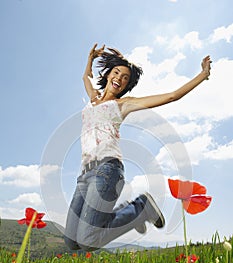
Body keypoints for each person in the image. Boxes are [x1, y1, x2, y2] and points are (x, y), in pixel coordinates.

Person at [64, 43, 211, 251]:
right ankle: (132, 212)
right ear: (107, 75)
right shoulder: (93, 99)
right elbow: (85, 77)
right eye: (117, 73)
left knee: (88, 240)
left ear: (126, 85)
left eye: (125, 78)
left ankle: (139, 209)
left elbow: (171, 96)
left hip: (107, 170)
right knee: (72, 241)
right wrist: (90, 58)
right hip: (84, 175)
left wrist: (202, 75)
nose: (120, 79)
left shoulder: (123, 104)